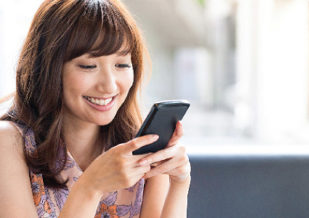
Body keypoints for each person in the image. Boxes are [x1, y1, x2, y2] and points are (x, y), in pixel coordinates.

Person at [0, 0, 191, 217]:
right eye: (89, 66)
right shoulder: (9, 143)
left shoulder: (140, 150)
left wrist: (180, 183)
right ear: (48, 68)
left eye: (122, 65)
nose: (109, 85)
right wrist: (91, 187)